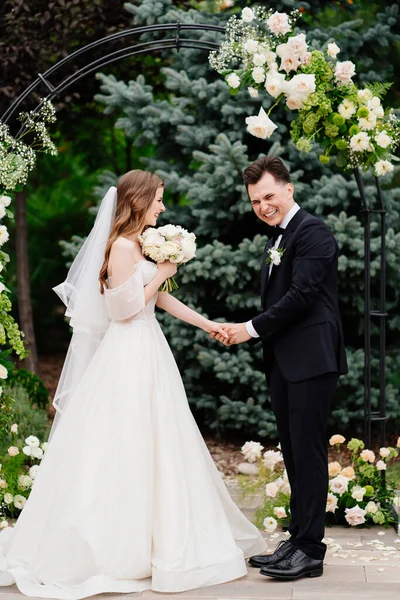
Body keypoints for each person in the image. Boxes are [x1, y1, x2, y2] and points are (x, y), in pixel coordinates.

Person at [0, 170, 266, 599]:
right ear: (138, 201)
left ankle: (156, 536)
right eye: (158, 199)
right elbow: (122, 310)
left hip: (149, 349)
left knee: (159, 440)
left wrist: (207, 325)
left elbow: (159, 299)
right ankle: (113, 547)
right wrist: (162, 271)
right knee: (121, 444)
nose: (163, 207)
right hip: (126, 353)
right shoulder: (122, 246)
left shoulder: (140, 243)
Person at [212, 156, 347, 581]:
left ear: (288, 188)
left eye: (268, 196)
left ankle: (310, 551)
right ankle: (299, 539)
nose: (263, 206)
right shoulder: (280, 236)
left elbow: (302, 296)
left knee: (307, 453)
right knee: (294, 452)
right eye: (255, 201)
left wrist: (249, 329)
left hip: (311, 359)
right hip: (288, 360)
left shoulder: (313, 232)